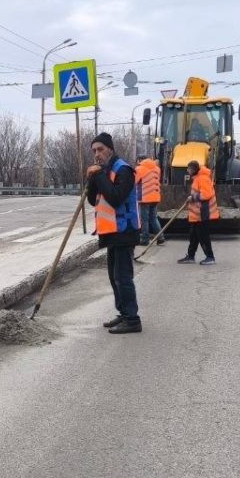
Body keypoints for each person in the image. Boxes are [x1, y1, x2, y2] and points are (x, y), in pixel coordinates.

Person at [86, 133, 142, 334]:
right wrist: (93, 179)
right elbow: (94, 200)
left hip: (124, 231)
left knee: (123, 278)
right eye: (94, 151)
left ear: (110, 148)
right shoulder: (105, 170)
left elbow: (116, 197)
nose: (97, 154)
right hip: (111, 233)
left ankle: (133, 320)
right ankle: (123, 314)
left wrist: (99, 175)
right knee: (114, 277)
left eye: (100, 149)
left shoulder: (124, 170)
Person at [178, 160, 218, 266]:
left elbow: (207, 194)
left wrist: (193, 197)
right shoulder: (197, 178)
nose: (187, 170)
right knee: (193, 236)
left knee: (203, 236)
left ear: (194, 169)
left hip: (203, 213)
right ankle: (190, 256)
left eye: (189, 168)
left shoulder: (203, 179)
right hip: (197, 214)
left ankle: (210, 257)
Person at [134, 156, 163, 246]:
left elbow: (134, 181)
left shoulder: (139, 168)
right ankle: (160, 237)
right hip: (155, 197)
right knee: (154, 218)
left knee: (144, 220)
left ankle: (145, 240)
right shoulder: (157, 169)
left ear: (140, 160)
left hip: (145, 198)